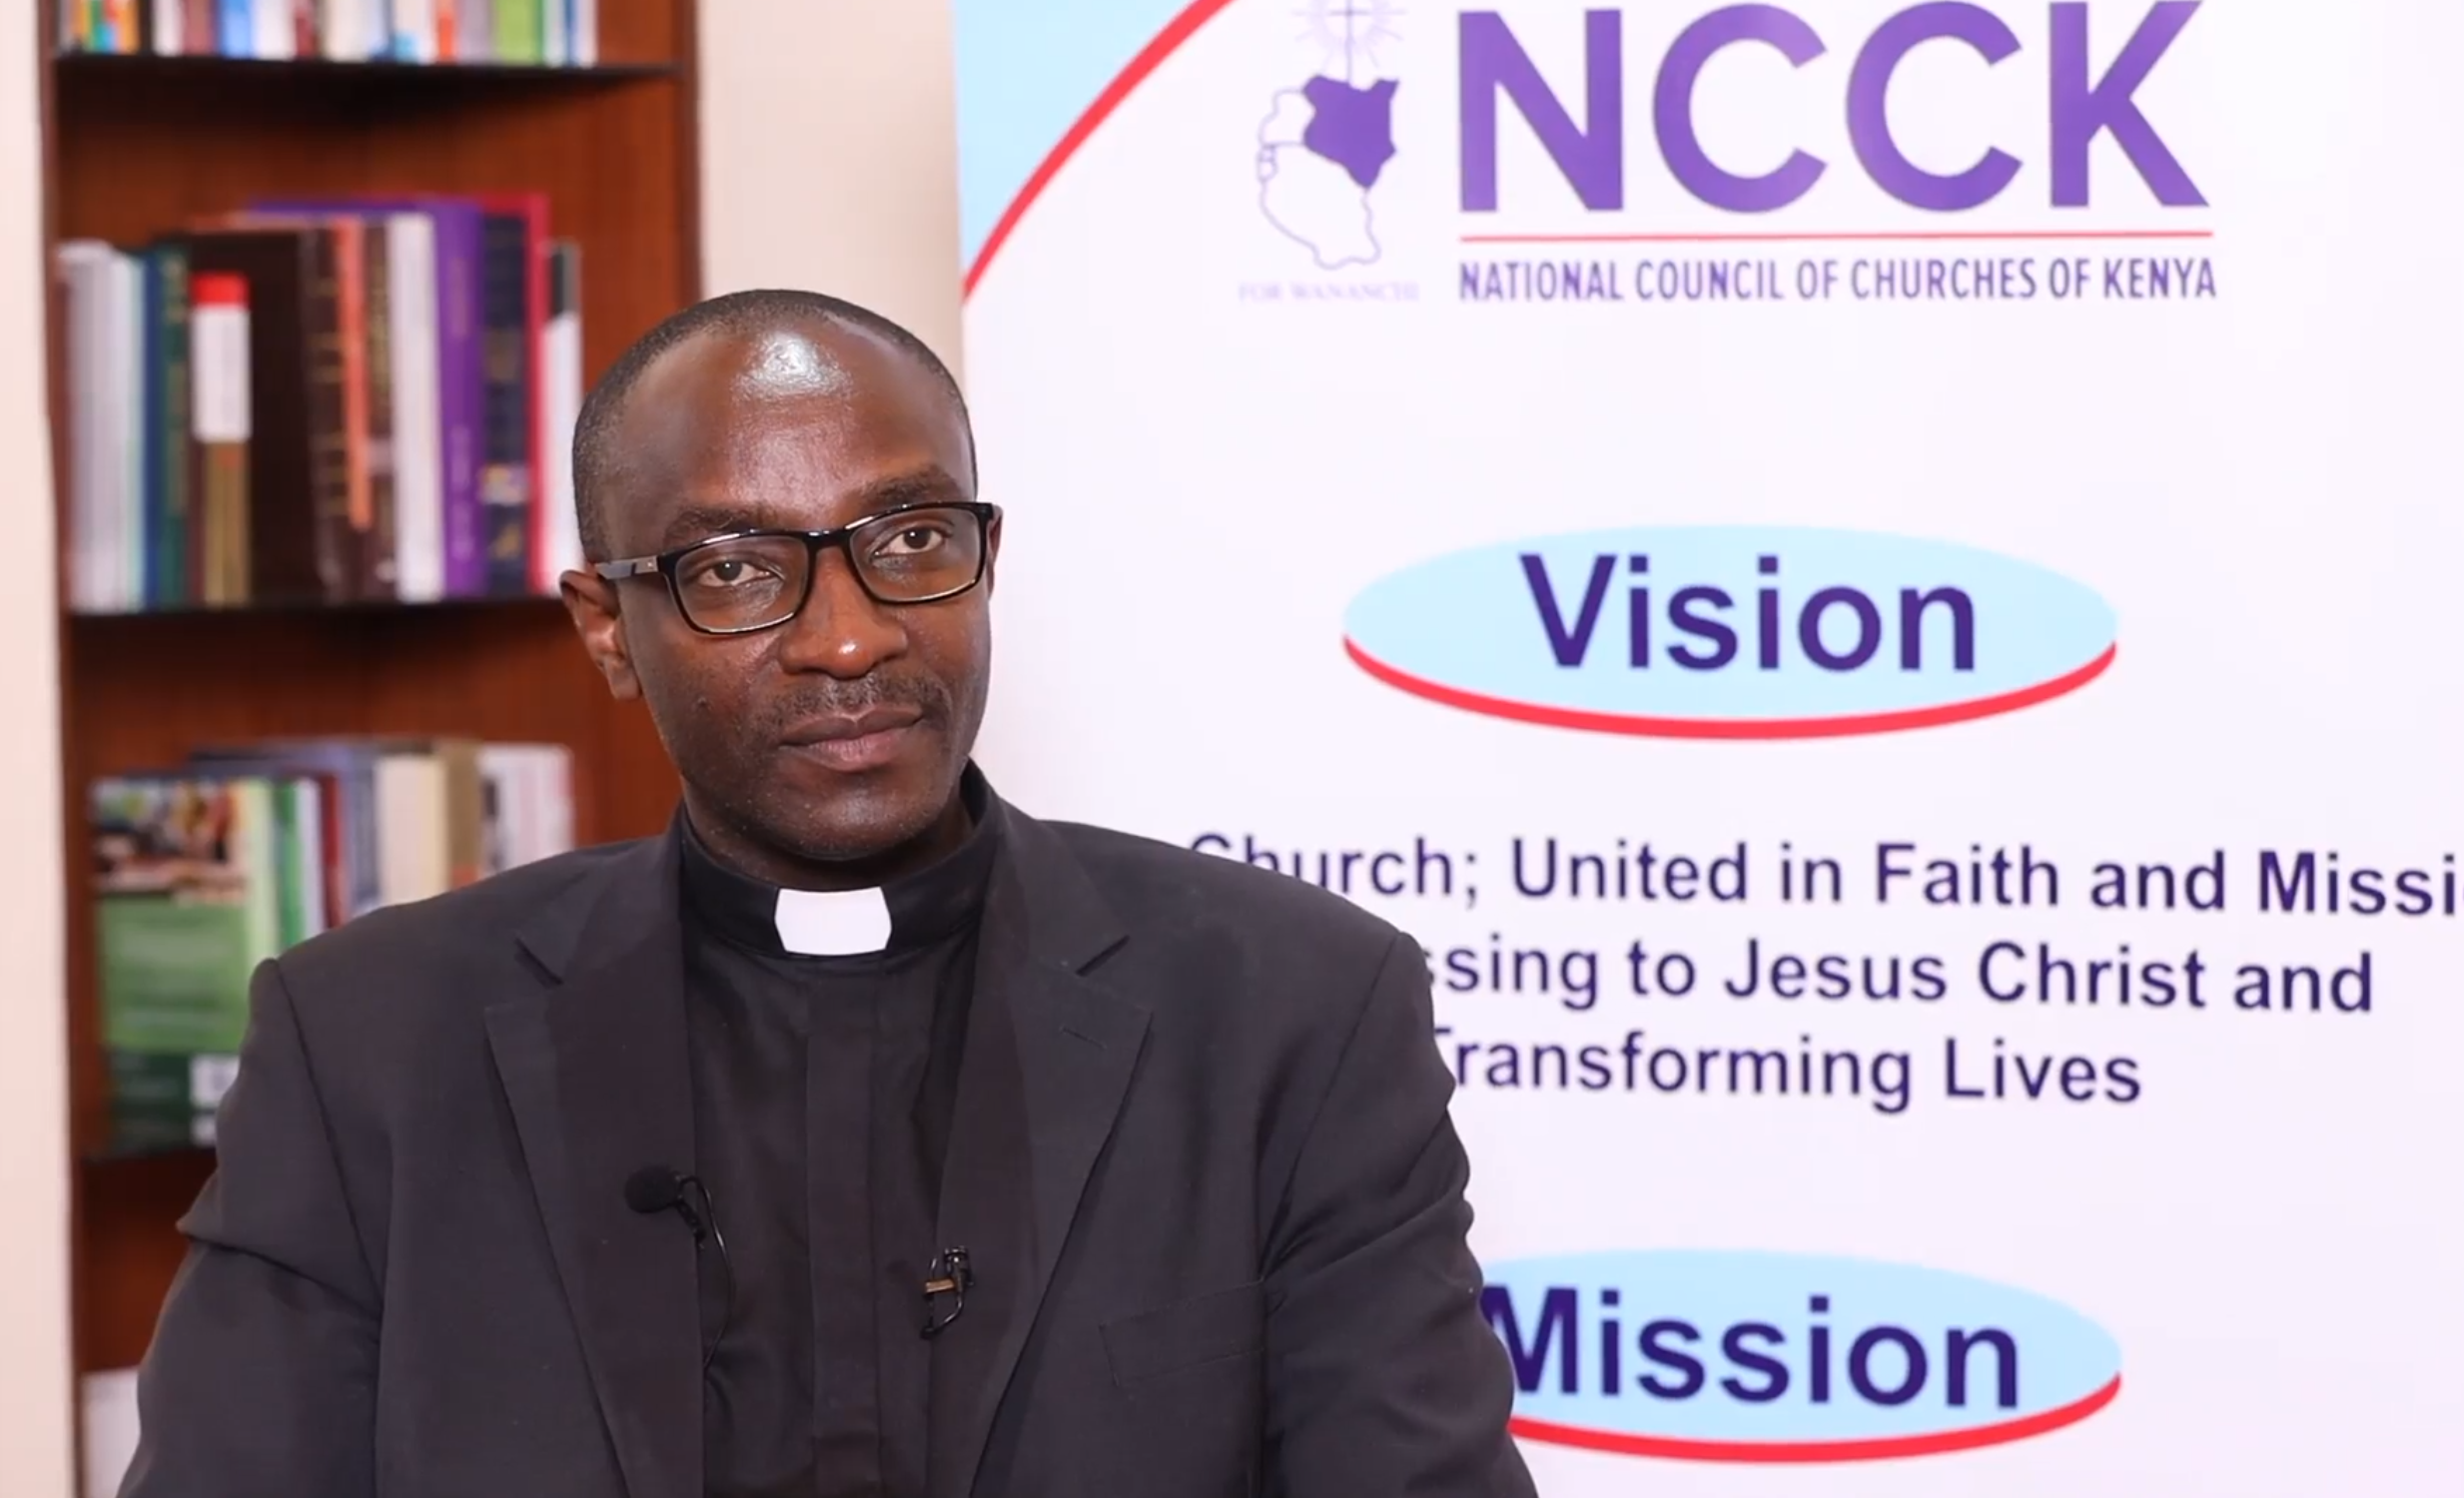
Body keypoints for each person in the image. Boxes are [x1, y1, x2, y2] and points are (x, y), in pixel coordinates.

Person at [117, 290, 1537, 1498]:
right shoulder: (367, 1043)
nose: (850, 638)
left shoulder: (1292, 1009)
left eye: (910, 539)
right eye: (737, 571)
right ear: (609, 628)